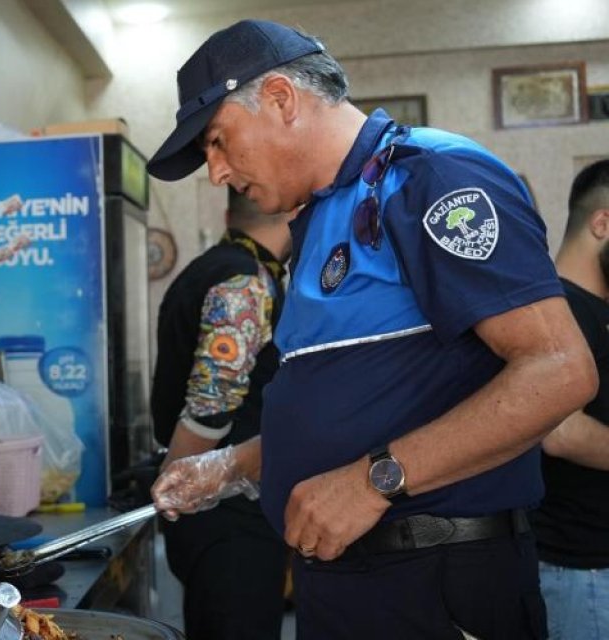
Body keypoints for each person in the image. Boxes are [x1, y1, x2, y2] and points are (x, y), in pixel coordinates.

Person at [144, 19, 596, 639]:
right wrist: (232, 466)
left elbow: (559, 369)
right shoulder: (321, 217)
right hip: (343, 581)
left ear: (280, 98)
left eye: (219, 141)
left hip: (432, 580)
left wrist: (375, 479)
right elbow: (354, 408)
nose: (215, 172)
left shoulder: (433, 178)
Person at [150, 186, 292, 639]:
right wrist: (180, 486)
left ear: (230, 213)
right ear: (292, 212)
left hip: (212, 509)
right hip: (225, 511)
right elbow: (211, 407)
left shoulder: (207, 268)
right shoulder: (243, 281)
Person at [533, 159, 609, 638]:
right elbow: (561, 432)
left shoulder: (596, 308)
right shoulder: (558, 308)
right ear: (602, 223)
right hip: (581, 571)